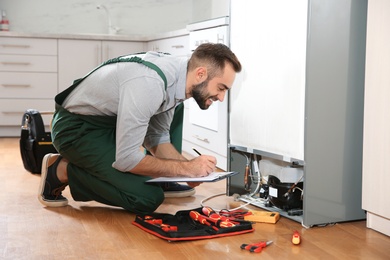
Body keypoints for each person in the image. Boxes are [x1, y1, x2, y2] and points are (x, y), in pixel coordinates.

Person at [38, 43, 242, 214]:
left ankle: (164, 178)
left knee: (175, 114)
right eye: (221, 88)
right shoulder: (150, 83)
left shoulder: (179, 80)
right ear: (200, 74)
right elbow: (127, 159)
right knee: (146, 198)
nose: (221, 98)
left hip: (109, 123)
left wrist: (188, 172)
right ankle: (62, 170)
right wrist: (186, 167)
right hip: (75, 130)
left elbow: (157, 137)